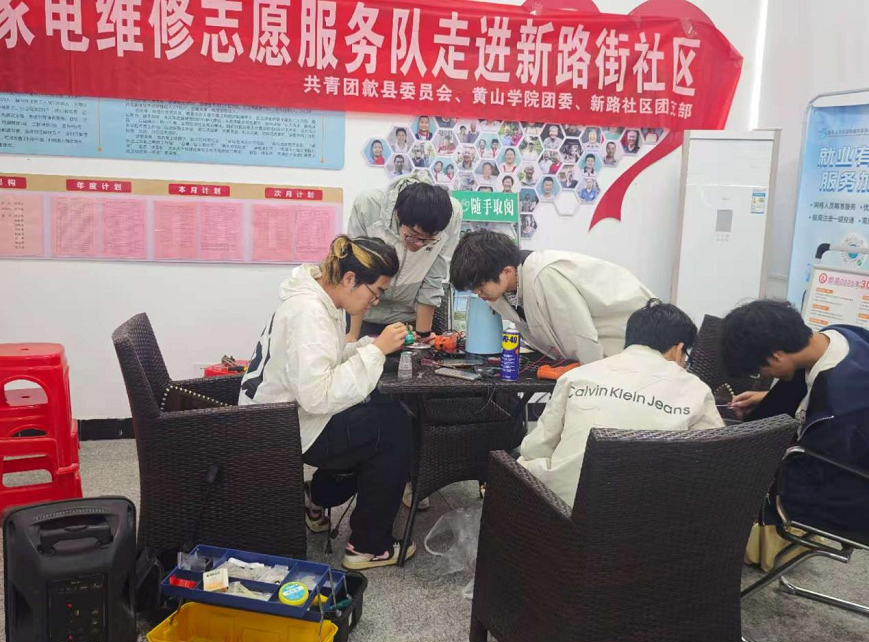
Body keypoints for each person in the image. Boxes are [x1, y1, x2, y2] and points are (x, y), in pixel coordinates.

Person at [239, 235, 415, 569]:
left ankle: (317, 496)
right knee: (392, 430)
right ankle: (368, 546)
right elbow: (318, 396)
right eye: (376, 291)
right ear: (350, 279)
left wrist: (370, 346)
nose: (375, 301)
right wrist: (376, 352)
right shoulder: (310, 313)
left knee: (383, 410)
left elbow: (326, 361)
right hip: (282, 427)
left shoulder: (317, 300)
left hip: (283, 414)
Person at [517, 299, 724, 507]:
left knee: (525, 463)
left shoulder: (577, 376)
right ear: (678, 349)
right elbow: (719, 458)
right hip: (655, 514)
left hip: (565, 511)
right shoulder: (696, 390)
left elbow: (535, 448)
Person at [720, 300, 869, 532]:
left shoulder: (839, 407)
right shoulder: (840, 334)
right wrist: (766, 397)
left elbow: (815, 473)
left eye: (760, 370)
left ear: (776, 355)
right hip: (843, 448)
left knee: (733, 488)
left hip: (851, 489)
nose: (763, 376)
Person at [449, 230, 655, 364]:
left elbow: (582, 337)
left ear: (506, 272)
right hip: (605, 355)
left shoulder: (545, 276)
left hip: (637, 338)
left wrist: (587, 383)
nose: (477, 293)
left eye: (480, 286)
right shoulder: (504, 290)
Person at [348, 170, 462, 341]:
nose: (419, 245)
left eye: (428, 240)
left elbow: (433, 278)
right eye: (413, 235)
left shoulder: (452, 216)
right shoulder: (368, 206)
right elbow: (358, 274)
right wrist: (352, 335)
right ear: (397, 213)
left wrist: (423, 337)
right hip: (364, 312)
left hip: (410, 319)